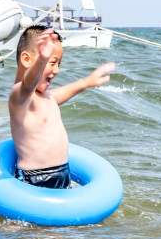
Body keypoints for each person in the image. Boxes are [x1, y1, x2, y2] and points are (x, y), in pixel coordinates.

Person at [8, 25, 114, 188]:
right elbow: (28, 83)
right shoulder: (19, 95)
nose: (57, 70)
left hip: (62, 173)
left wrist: (85, 83)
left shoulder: (45, 97)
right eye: (52, 62)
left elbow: (59, 94)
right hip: (35, 179)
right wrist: (42, 60)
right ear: (27, 60)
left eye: (59, 63)